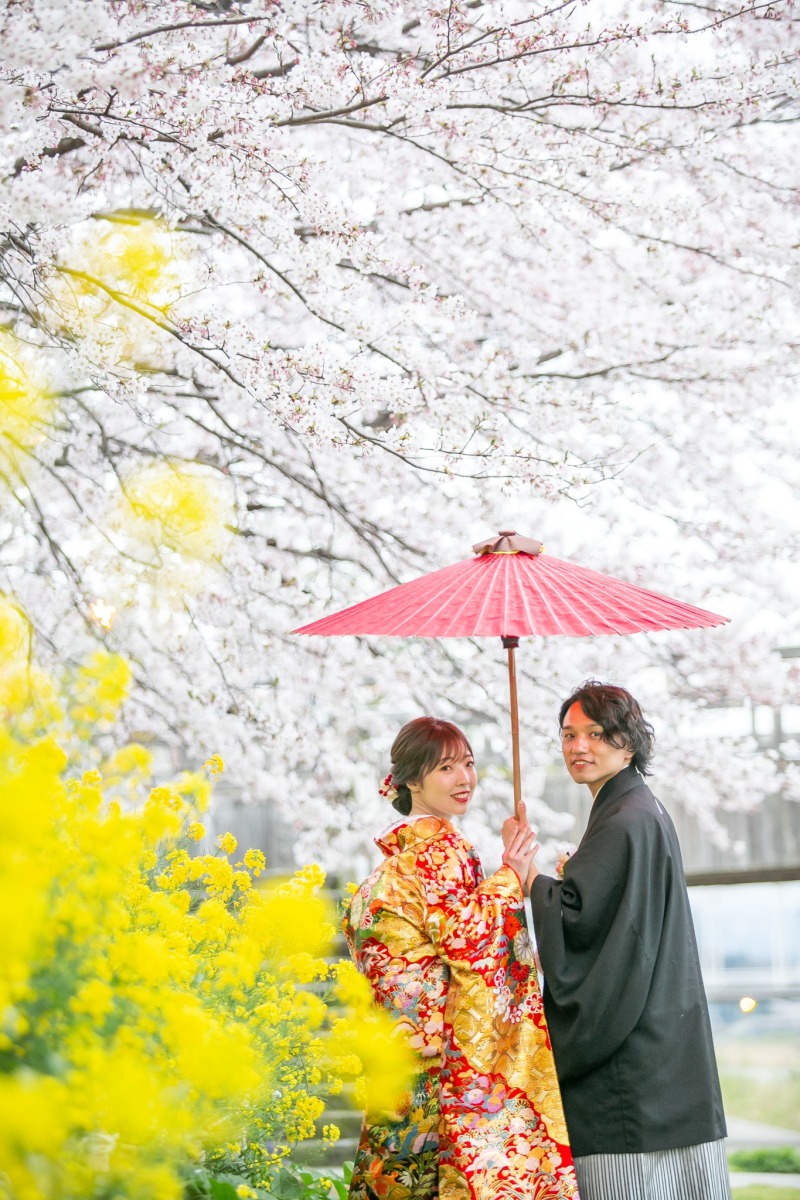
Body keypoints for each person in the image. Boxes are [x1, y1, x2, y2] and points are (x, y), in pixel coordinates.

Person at [343, 716, 579, 1200]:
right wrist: (512, 873)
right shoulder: (441, 849)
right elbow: (469, 943)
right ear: (412, 780)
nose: (464, 778)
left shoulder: (391, 864)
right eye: (446, 767)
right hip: (437, 1066)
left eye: (468, 764)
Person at [526, 681, 731, 1200]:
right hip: (665, 1054)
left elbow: (584, 926)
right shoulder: (639, 809)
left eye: (596, 734)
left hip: (628, 1073)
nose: (579, 746)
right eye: (569, 734)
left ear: (630, 743)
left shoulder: (623, 820)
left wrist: (530, 878)